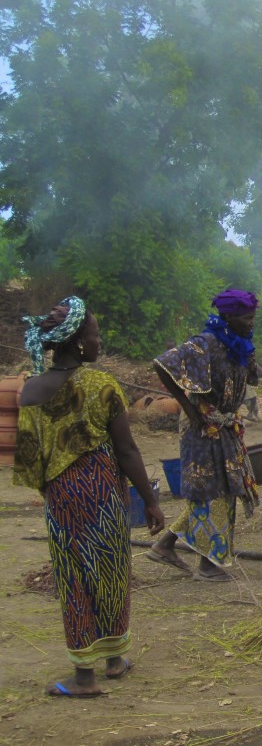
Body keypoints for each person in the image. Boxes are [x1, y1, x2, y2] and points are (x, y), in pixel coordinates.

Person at [14, 296, 166, 698]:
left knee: (74, 578)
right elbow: (128, 451)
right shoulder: (102, 385)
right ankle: (113, 659)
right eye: (96, 335)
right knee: (112, 569)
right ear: (79, 341)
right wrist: (149, 500)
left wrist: (53, 487)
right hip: (103, 493)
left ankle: (86, 673)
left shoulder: (30, 391)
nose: (100, 342)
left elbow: (29, 460)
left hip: (62, 497)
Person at [147, 290, 260, 582]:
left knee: (225, 488)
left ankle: (165, 545)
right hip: (201, 426)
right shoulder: (205, 343)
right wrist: (187, 405)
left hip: (224, 424)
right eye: (247, 318)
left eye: (252, 318)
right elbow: (162, 364)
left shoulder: (241, 345)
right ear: (230, 316)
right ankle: (208, 565)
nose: (251, 323)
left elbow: (248, 380)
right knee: (211, 491)